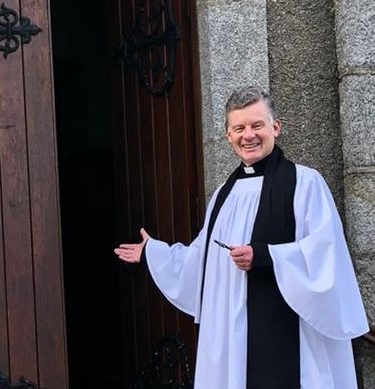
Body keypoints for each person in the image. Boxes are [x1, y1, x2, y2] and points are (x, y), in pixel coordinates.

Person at [114, 86, 369, 389]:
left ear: (276, 127)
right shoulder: (224, 194)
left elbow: (326, 254)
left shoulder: (305, 183)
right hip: (233, 340)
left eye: (257, 125)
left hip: (290, 335)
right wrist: (154, 253)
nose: (248, 135)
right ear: (228, 136)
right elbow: (202, 258)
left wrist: (264, 256)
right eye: (239, 128)